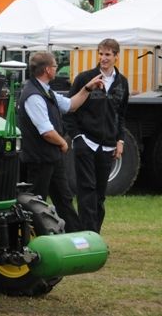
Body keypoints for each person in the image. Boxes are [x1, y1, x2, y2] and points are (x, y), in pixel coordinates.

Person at [17, 52, 103, 233]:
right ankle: (33, 239)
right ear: (48, 70)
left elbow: (70, 105)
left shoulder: (46, 91)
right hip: (39, 160)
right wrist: (63, 143)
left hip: (52, 158)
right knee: (36, 203)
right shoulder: (34, 96)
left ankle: (75, 237)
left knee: (64, 200)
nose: (56, 69)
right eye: (55, 66)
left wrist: (87, 88)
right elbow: (46, 131)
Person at [65, 39, 129, 233]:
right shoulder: (85, 78)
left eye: (108, 54)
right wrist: (77, 138)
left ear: (116, 56)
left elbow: (121, 115)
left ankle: (95, 234)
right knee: (87, 191)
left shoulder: (122, 82)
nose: (103, 58)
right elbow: (69, 110)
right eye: (101, 54)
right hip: (86, 143)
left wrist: (120, 140)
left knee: (100, 195)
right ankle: (88, 236)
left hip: (108, 146)